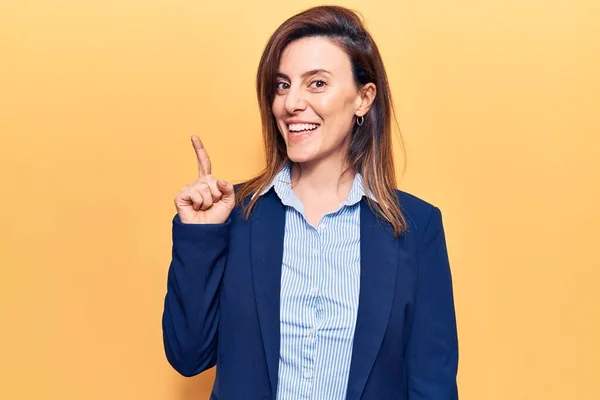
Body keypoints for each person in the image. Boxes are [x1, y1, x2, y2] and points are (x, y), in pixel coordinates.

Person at [162, 5, 458, 400]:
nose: (291, 103)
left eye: (316, 83)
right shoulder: (232, 214)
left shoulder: (416, 227)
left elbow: (432, 385)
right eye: (283, 85)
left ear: (363, 98)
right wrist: (201, 236)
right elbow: (188, 355)